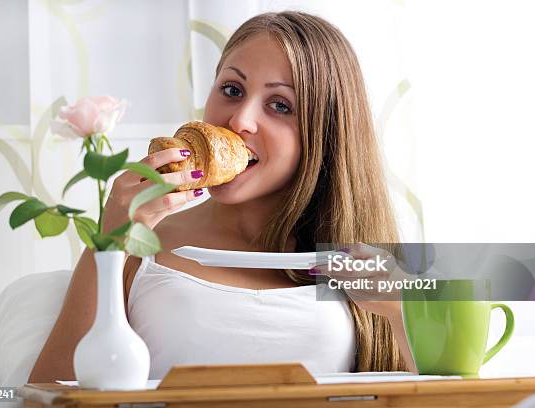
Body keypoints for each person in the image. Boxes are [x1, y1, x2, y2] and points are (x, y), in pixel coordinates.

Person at [29, 11, 416, 382]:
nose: (240, 120)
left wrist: (401, 311)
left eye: (280, 105)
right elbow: (51, 392)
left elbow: (431, 394)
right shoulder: (140, 238)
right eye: (232, 90)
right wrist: (109, 242)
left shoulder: (356, 260)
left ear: (324, 133)